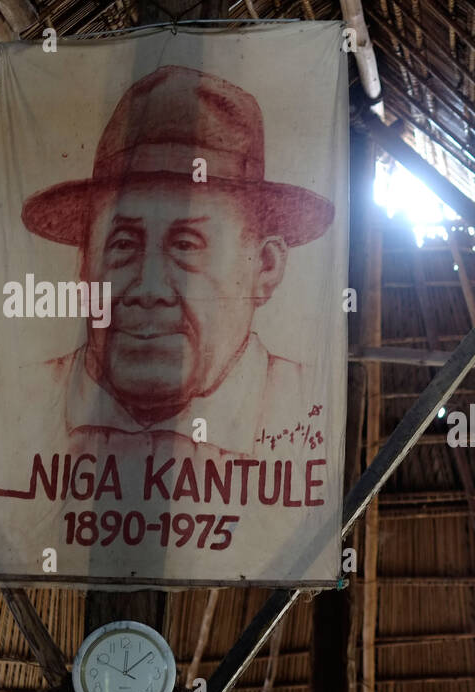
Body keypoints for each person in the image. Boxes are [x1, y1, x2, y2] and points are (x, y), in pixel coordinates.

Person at [20, 65, 335, 459]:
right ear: (85, 265)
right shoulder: (21, 404)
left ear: (265, 266)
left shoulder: (307, 411)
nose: (149, 290)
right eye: (122, 244)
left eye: (186, 245)